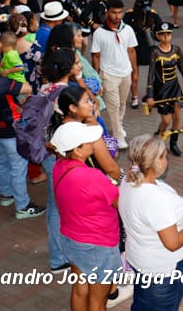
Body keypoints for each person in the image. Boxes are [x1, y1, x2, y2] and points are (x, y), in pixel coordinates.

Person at [50, 120, 121, 311]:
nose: (94, 143)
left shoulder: (59, 167)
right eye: (88, 141)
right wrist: (119, 180)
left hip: (71, 238)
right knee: (98, 302)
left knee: (80, 290)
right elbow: (119, 202)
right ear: (77, 150)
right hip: (97, 245)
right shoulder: (91, 176)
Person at [0, 46, 45, 219]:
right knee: (18, 168)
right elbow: (26, 88)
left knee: (3, 162)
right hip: (13, 130)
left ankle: (6, 195)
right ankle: (23, 206)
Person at [119, 134, 183, 310]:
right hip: (161, 271)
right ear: (156, 162)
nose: (167, 159)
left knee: (142, 304)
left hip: (141, 260)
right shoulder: (155, 199)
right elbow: (172, 243)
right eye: (164, 156)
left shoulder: (129, 180)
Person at [90, 0, 138, 150]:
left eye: (119, 13)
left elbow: (131, 50)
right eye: (113, 13)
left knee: (122, 103)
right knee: (113, 106)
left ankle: (119, 124)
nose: (117, 16)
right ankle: (118, 136)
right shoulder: (99, 33)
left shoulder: (128, 30)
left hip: (126, 72)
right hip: (108, 74)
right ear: (107, 13)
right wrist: (97, 77)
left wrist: (135, 71)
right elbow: (95, 55)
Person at [146, 22, 183, 157]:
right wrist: (150, 95)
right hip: (161, 90)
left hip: (174, 88)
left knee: (177, 118)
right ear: (158, 36)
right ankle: (158, 134)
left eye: (168, 34)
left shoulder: (176, 50)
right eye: (162, 34)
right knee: (166, 120)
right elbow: (151, 74)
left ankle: (173, 143)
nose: (166, 37)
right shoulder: (155, 51)